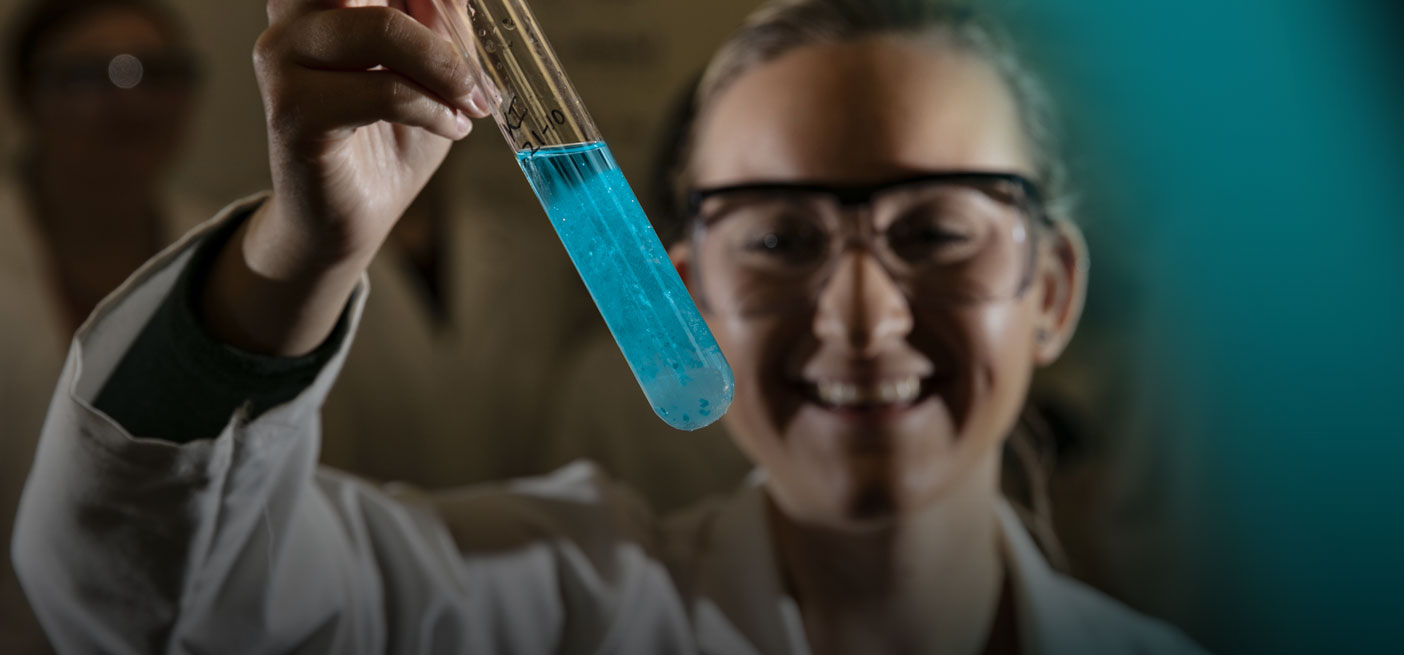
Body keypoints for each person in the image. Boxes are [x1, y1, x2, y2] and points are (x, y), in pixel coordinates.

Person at [11, 0, 1208, 653]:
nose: (857, 313)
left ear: (1052, 287)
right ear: (681, 285)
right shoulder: (537, 607)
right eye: (780, 236)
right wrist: (300, 252)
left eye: (938, 230)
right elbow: (154, 607)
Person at [0, 1, 208, 651]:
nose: (131, 103)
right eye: (90, 76)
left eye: (157, 72)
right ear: (26, 98)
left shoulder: (231, 251)